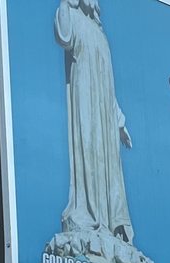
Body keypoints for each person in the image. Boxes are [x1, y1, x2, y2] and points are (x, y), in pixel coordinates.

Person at [54, 0, 134, 244]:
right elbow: (64, 37)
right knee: (88, 151)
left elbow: (109, 88)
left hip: (105, 112)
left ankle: (110, 221)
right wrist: (65, 3)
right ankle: (87, 213)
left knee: (108, 161)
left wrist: (119, 122)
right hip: (85, 101)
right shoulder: (73, 18)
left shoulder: (100, 35)